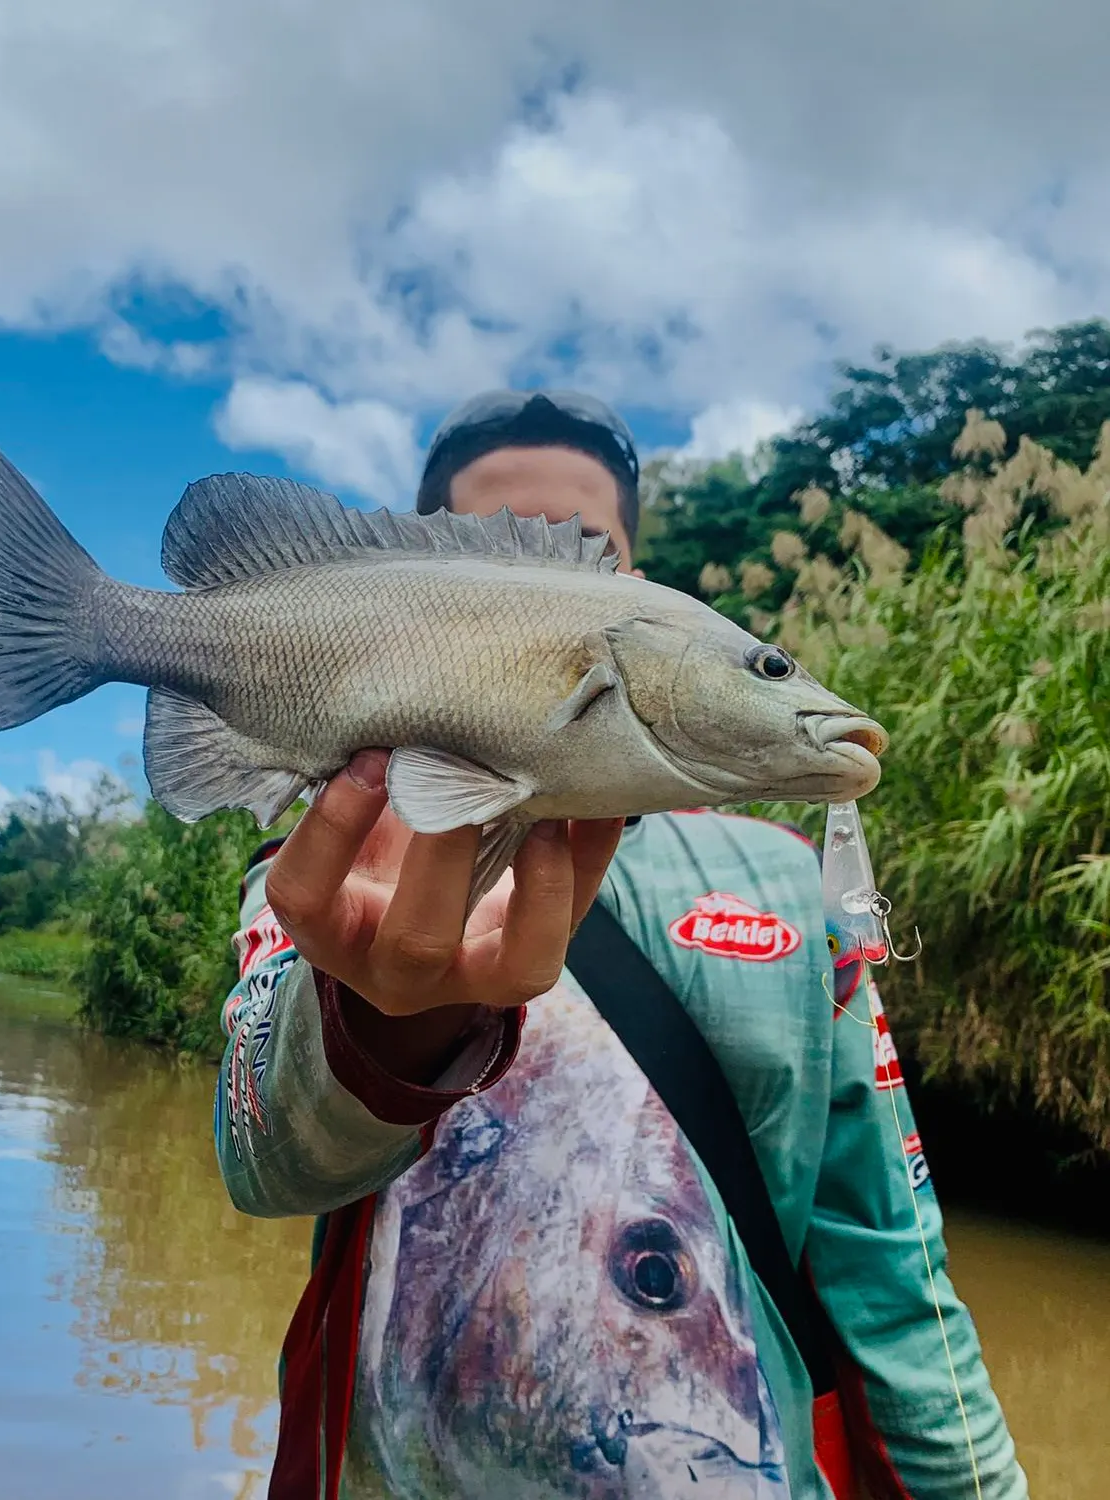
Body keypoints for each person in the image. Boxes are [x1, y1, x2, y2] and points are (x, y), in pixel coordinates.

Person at [213, 389, 1028, 1500]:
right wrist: (379, 1027)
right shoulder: (325, 871)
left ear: (639, 595)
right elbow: (264, 1161)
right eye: (488, 559)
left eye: (586, 558)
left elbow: (896, 1275)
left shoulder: (788, 889)